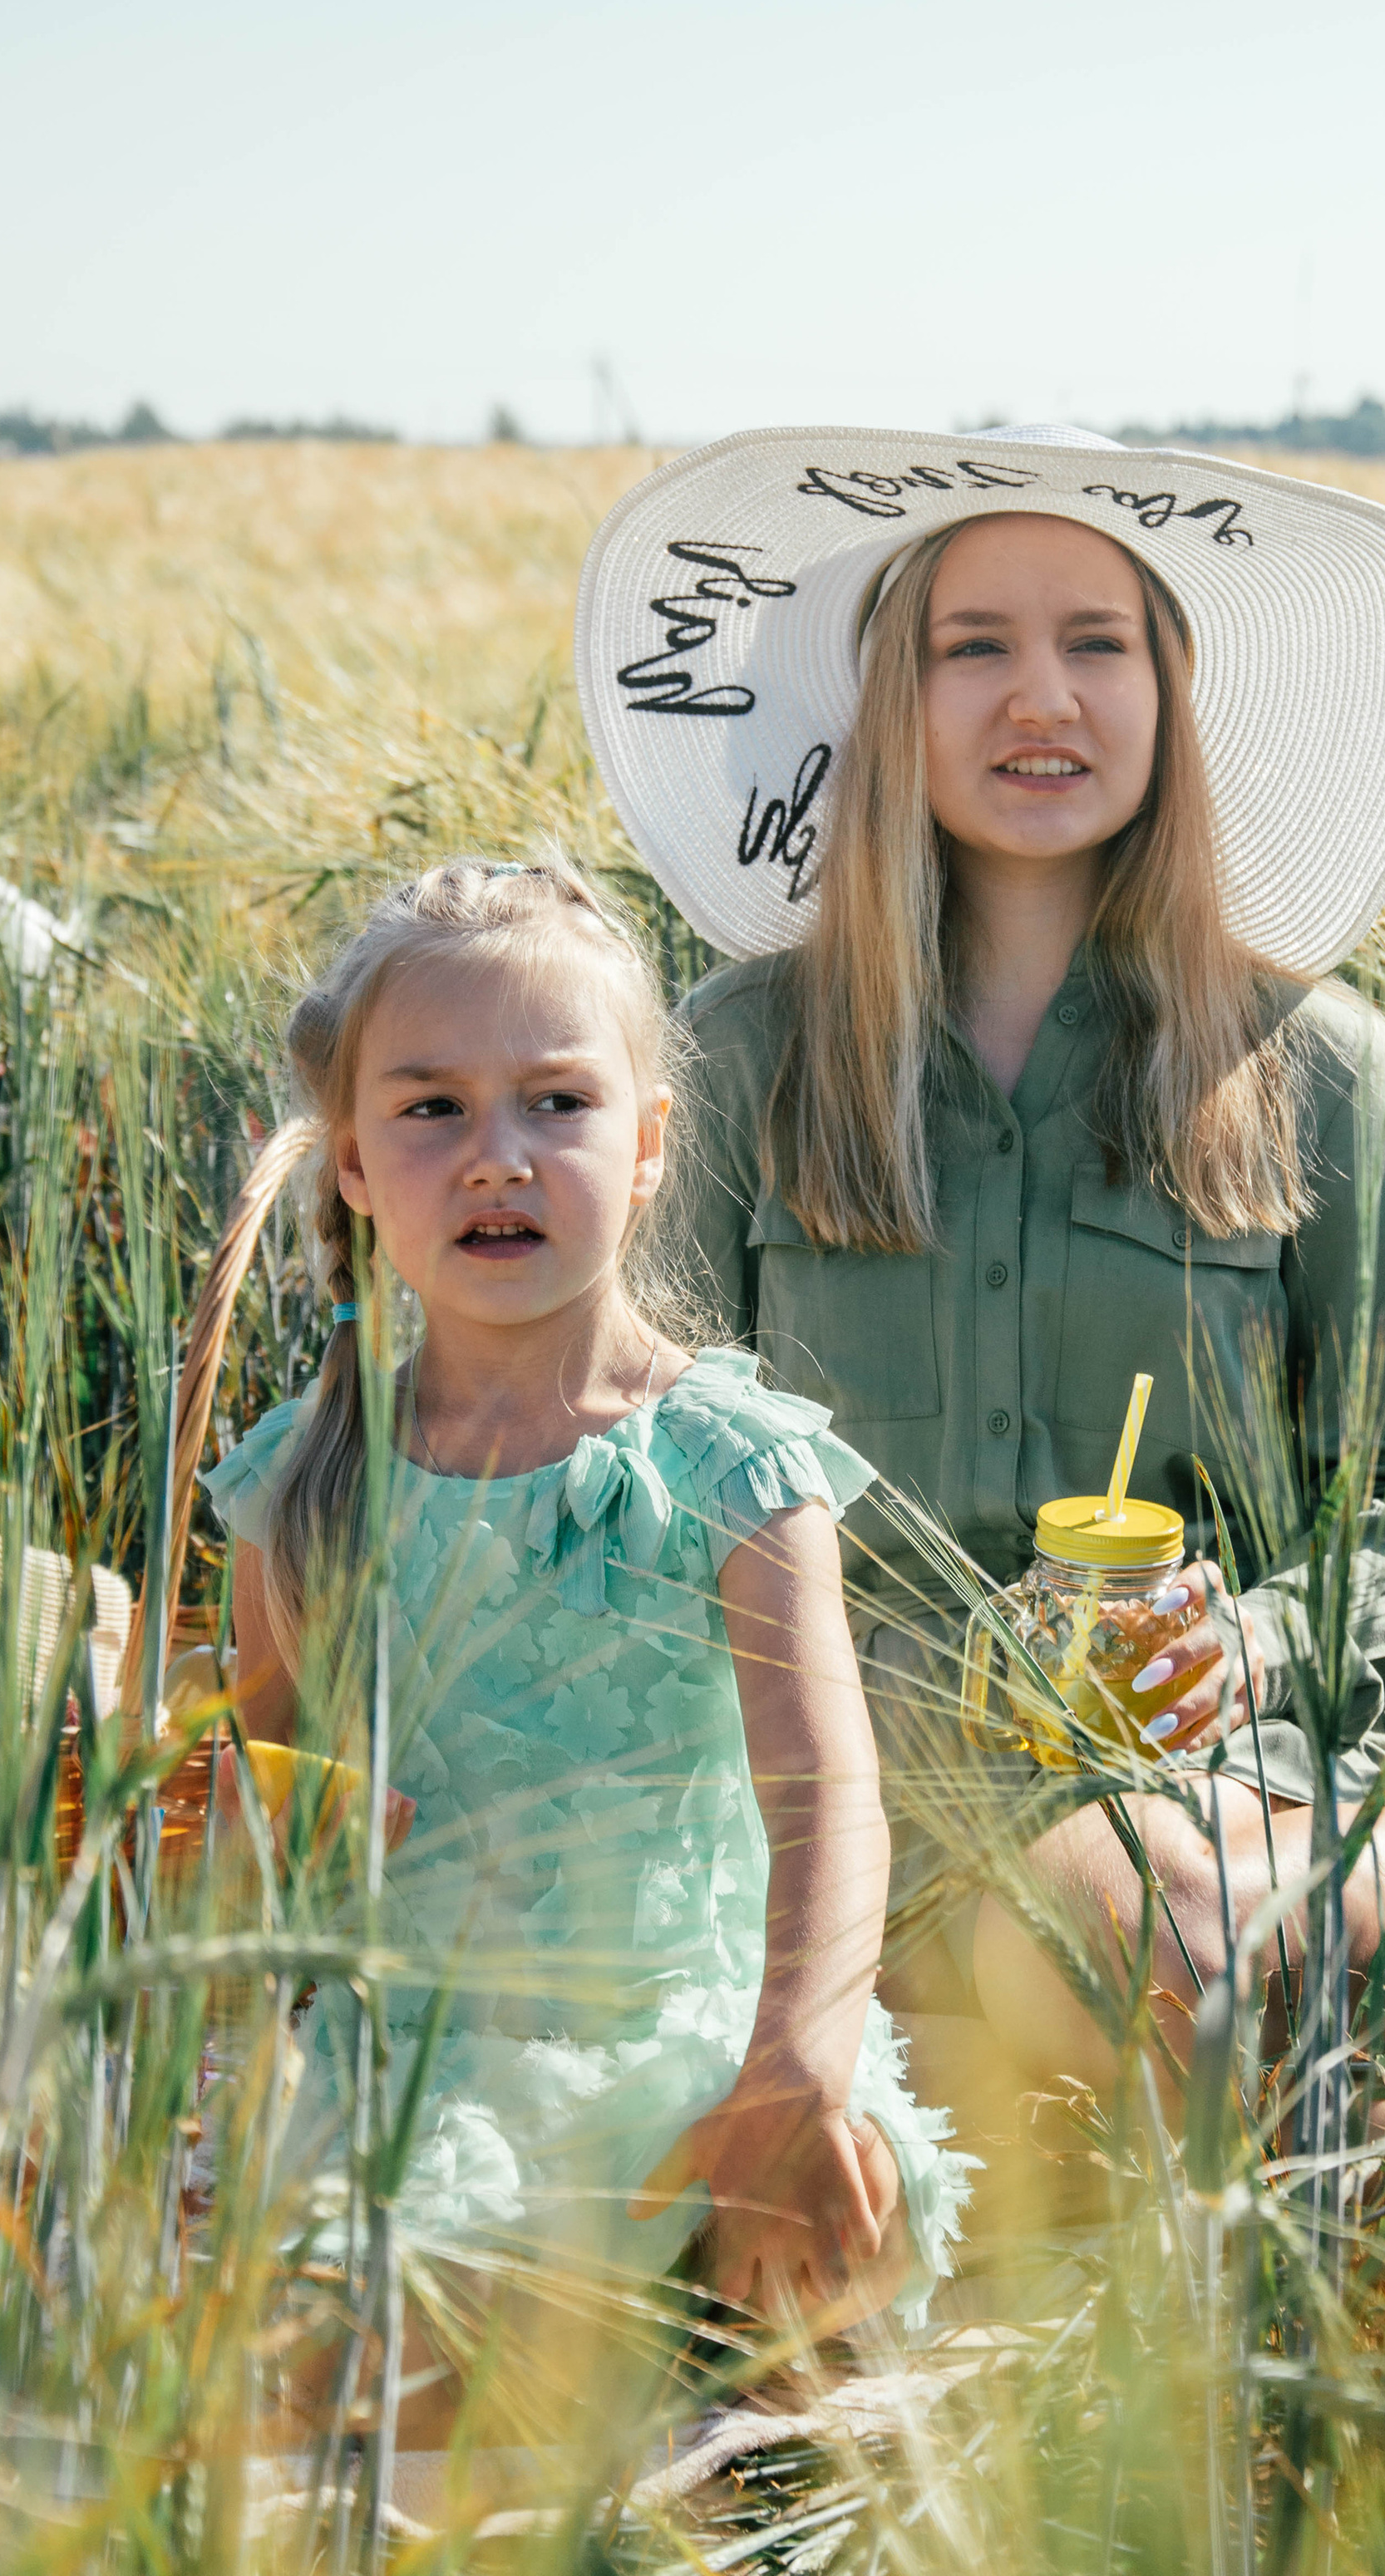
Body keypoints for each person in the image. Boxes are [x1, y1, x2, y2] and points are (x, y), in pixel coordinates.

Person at [572, 426, 1385, 2103]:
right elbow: (631, 1469)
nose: (1042, 696)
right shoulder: (734, 1057)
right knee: (1125, 1981)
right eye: (974, 646)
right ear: (892, 698)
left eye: (1097, 642)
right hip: (829, 1785)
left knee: (1144, 1931)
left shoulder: (1313, 1069)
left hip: (1192, 1774)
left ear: (1168, 695)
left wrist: (1254, 1640)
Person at [195, 856, 967, 2437]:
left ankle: (717, 2393)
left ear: (651, 1143)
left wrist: (798, 2066)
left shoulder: (731, 1462)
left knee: (818, 2244)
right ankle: (581, 2400)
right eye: (432, 1109)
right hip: (433, 2068)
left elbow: (829, 1796)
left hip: (708, 2048)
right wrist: (276, 1837)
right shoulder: (306, 1483)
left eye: (557, 1100)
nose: (499, 1154)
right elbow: (247, 1808)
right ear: (354, 1162)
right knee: (372, 2358)